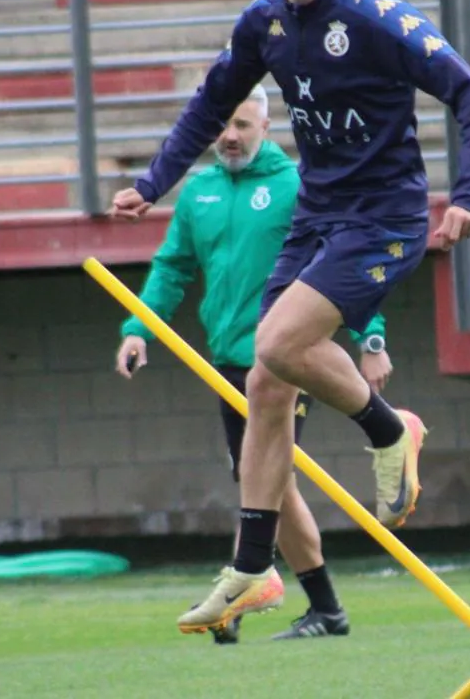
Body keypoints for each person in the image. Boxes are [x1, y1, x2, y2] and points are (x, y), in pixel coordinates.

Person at [109, 0, 470, 635]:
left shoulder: (378, 20)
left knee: (278, 343)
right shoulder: (264, 24)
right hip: (319, 216)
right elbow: (207, 102)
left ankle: (391, 430)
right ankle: (253, 570)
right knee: (264, 380)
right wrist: (153, 182)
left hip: (382, 216)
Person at [115, 84, 392, 643]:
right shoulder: (199, 193)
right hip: (228, 365)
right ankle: (320, 609)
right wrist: (138, 329)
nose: (229, 135)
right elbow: (171, 269)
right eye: (222, 124)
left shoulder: (295, 186)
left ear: (267, 127)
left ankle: (245, 597)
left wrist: (372, 337)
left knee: (266, 478)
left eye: (242, 124)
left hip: (288, 363)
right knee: (265, 482)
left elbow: (338, 264)